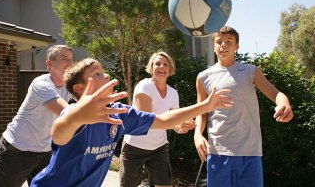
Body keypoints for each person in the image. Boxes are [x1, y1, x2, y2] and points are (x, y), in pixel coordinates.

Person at [30, 57, 233, 187]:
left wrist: (206, 105)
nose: (106, 75)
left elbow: (162, 119)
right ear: (80, 88)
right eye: (97, 74)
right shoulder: (73, 113)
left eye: (103, 71)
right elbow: (58, 134)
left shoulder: (120, 114)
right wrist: (75, 117)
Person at [193, 26, 294, 187]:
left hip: (250, 152)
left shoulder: (250, 71)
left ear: (237, 46)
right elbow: (201, 111)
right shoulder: (203, 77)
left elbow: (276, 94)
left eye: (229, 42)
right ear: (213, 46)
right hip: (218, 152)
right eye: (219, 42)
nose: (223, 45)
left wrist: (284, 103)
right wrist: (197, 134)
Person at [0, 44, 74, 187]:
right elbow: (65, 112)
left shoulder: (68, 86)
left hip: (46, 151)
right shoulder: (41, 84)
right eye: (64, 58)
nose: (70, 63)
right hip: (18, 149)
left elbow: (86, 99)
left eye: (72, 59)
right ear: (49, 64)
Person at [120, 51, 195, 187]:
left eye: (165, 64)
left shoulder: (173, 93)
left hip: (159, 148)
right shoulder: (144, 86)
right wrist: (175, 123)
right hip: (134, 146)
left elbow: (174, 122)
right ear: (151, 68)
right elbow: (147, 122)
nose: (161, 67)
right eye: (157, 64)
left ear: (170, 69)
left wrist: (181, 127)